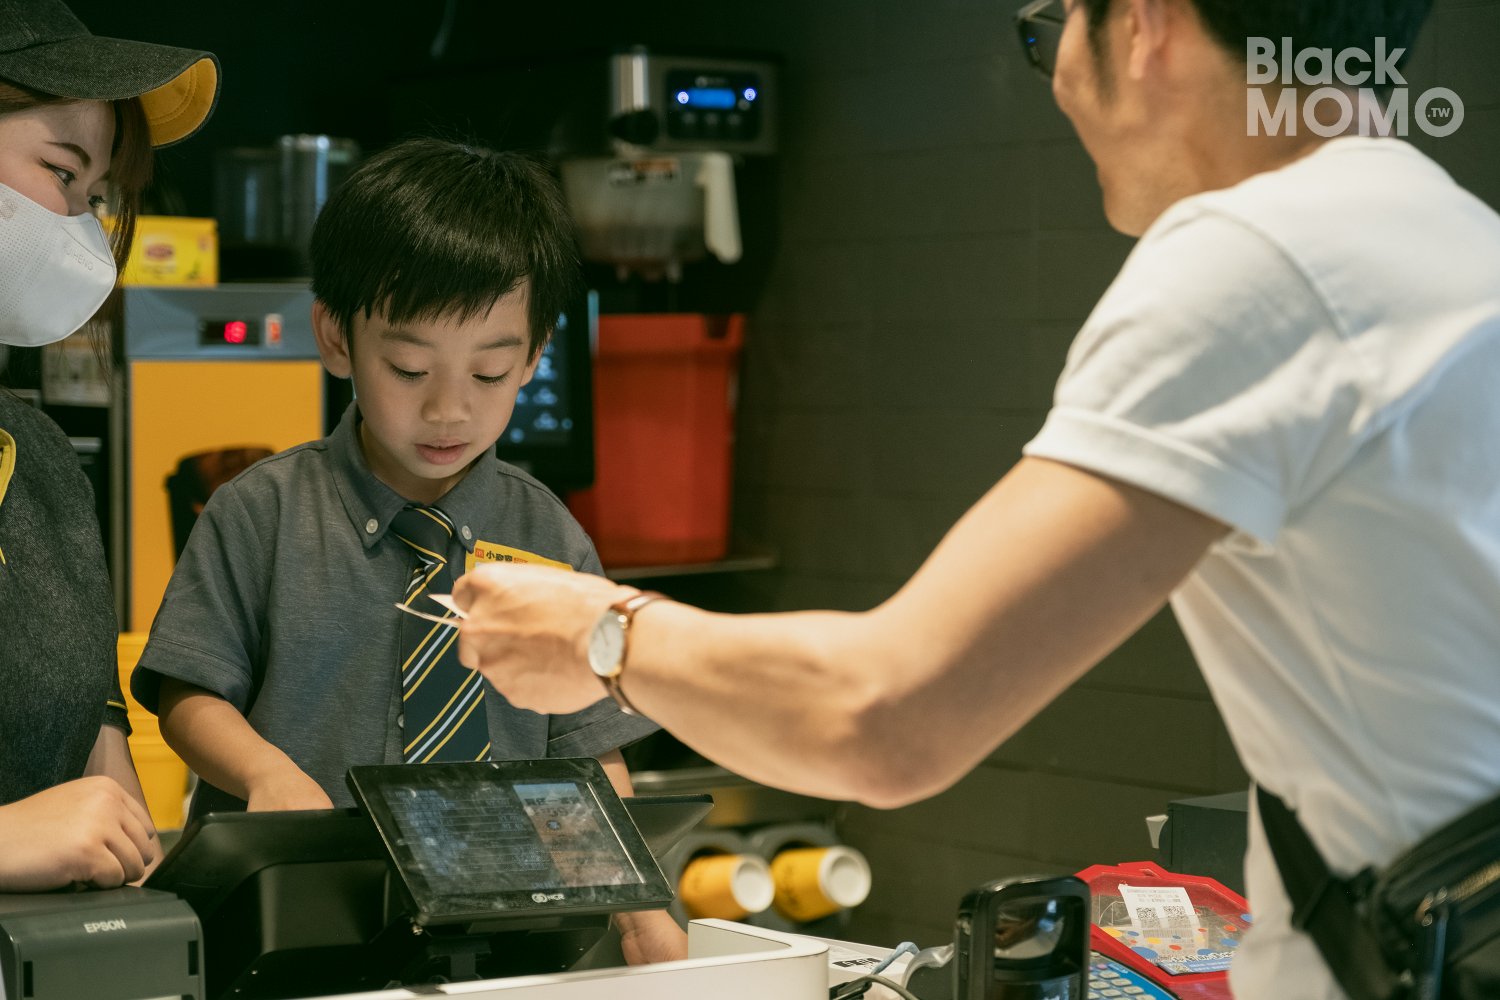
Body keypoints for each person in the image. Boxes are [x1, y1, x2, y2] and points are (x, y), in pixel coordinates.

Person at [448, 0, 1500, 995]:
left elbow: (886, 717)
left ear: (1145, 25)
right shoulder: (1446, 233)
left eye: (1052, 34)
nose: (1057, 84)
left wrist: (605, 636)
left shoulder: (1257, 256)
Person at [129, 138, 684, 963]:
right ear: (336, 338)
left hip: (502, 935)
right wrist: (262, 774)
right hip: (292, 930)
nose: (449, 410)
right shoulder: (263, 511)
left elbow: (586, 744)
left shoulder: (548, 534)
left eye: (490, 375)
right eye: (409, 367)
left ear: (534, 357)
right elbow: (186, 694)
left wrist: (642, 911)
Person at [0, 0, 218, 892]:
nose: (82, 227)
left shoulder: (43, 462)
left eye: (97, 199)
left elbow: (94, 748)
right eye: (62, 172)